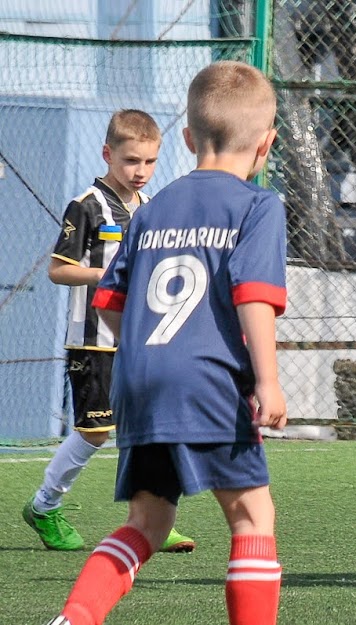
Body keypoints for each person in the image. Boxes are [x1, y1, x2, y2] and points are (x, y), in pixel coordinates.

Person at [45, 60, 288, 625]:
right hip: (208, 383)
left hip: (139, 382)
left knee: (146, 524)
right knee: (253, 517)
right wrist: (270, 382)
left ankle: (74, 618)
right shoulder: (258, 205)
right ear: (267, 142)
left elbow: (109, 301)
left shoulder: (152, 210)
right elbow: (254, 295)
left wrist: (145, 358)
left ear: (184, 138)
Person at [23, 109, 195, 554]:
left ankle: (152, 518)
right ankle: (44, 505)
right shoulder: (86, 206)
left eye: (150, 162)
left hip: (139, 338)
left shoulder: (149, 208)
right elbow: (59, 272)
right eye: (131, 161)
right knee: (96, 431)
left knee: (149, 427)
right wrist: (111, 273)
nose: (141, 171)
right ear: (108, 154)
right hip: (93, 339)